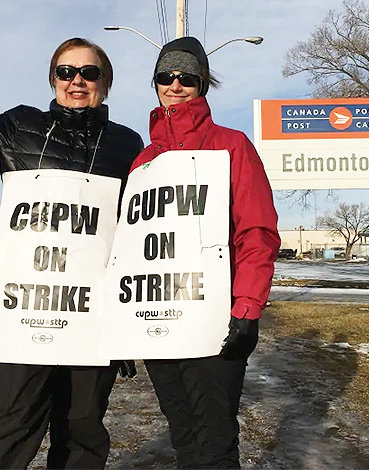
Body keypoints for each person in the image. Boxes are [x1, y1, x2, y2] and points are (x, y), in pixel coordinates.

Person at [0, 17, 142, 469]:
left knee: (82, 431)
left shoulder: (127, 145)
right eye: (66, 71)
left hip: (91, 319)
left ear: (106, 84)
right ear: (54, 79)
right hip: (24, 317)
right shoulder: (19, 127)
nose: (77, 80)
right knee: (11, 425)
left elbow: (138, 232)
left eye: (90, 72)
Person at [130, 37, 280, 468]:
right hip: (160, 321)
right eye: (165, 76)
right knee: (183, 435)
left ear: (203, 84)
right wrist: (122, 327)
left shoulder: (232, 146)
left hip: (214, 321)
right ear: (155, 83)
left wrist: (247, 308)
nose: (175, 84)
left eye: (187, 77)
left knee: (214, 440)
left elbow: (257, 232)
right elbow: (132, 248)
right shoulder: (143, 163)